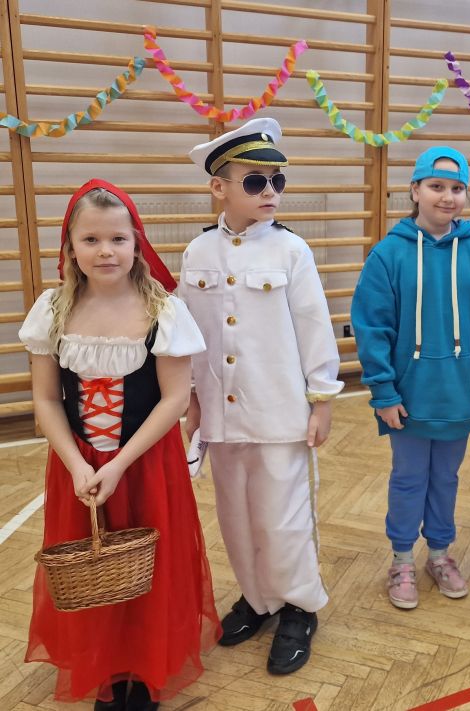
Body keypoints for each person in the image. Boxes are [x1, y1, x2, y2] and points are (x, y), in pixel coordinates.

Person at [20, 179, 220, 711]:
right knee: (92, 566)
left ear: (136, 243)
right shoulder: (53, 310)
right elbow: (46, 399)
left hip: (147, 463)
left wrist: (120, 464)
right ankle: (107, 665)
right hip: (79, 466)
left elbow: (174, 400)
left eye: (117, 239)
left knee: (150, 567)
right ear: (70, 247)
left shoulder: (162, 310)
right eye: (90, 240)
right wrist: (77, 465)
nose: (105, 251)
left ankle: (146, 668)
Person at [182, 118, 342, 674]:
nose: (270, 191)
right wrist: (193, 401)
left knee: (282, 519)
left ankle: (298, 605)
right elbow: (192, 335)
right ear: (218, 187)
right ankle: (257, 598)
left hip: (280, 413)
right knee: (236, 516)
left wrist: (322, 400)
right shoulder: (197, 251)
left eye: (277, 180)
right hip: (221, 417)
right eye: (255, 181)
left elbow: (314, 326)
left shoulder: (291, 250)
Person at [351, 146, 470, 610]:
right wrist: (383, 391)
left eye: (457, 188)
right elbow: (372, 328)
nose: (447, 197)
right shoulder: (388, 255)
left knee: (446, 478)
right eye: (436, 186)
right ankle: (402, 559)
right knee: (408, 478)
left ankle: (439, 555)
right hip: (409, 397)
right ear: (415, 190)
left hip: (459, 395)